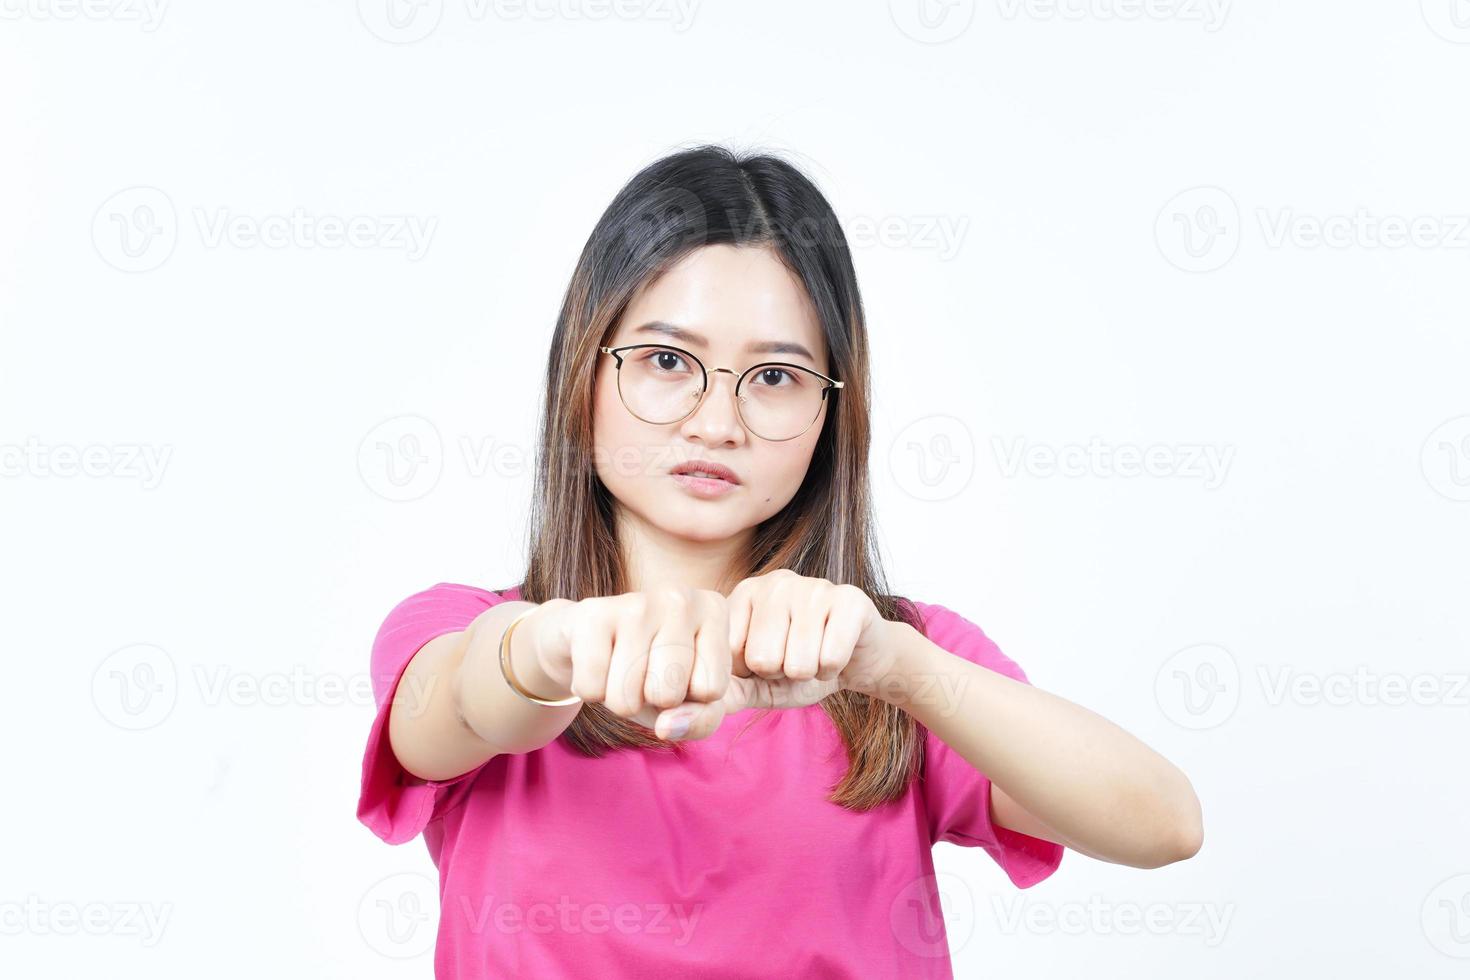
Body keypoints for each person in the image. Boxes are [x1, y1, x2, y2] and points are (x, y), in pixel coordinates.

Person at [356, 144, 1204, 978]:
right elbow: (460, 709)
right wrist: (544, 651)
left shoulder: (891, 661)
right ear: (584, 370)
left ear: (832, 414)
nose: (717, 420)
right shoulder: (458, 627)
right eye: (664, 361)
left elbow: (1163, 825)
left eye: (774, 377)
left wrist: (898, 666)